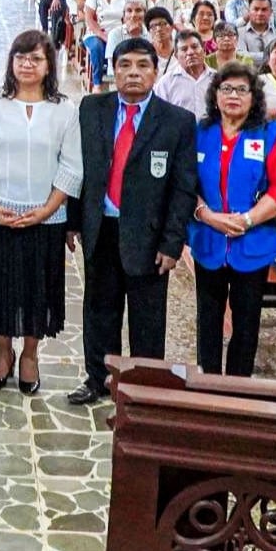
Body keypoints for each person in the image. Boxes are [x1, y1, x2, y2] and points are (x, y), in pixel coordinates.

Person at [66, 37, 198, 404]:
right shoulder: (92, 109)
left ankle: (143, 387)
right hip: (101, 227)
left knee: (147, 318)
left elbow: (183, 189)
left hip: (149, 236)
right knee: (99, 311)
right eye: (125, 65)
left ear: (156, 73)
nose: (133, 73)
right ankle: (98, 379)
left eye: (143, 65)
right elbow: (79, 169)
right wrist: (73, 221)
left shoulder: (177, 122)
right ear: (114, 69)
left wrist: (173, 243)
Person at [0, 30, 81, 395]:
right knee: (0, 286)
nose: (27, 64)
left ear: (49, 66)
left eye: (35, 58)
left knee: (36, 288)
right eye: (20, 57)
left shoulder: (64, 109)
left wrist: (48, 209)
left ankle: (30, 354)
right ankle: (3, 353)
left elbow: (72, 164)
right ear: (11, 62)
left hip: (45, 218)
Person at [189, 63, 276, 376]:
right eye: (226, 89)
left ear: (254, 97)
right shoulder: (200, 132)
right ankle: (206, 384)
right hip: (208, 240)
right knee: (207, 319)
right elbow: (185, 183)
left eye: (241, 90)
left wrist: (246, 220)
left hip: (253, 244)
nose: (232, 96)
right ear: (215, 95)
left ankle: (238, 386)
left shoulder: (270, 133)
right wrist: (207, 215)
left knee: (247, 321)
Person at [156, 30, 214, 117]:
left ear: (204, 50)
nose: (190, 52)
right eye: (184, 49)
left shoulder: (216, 78)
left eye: (194, 47)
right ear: (176, 55)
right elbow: (158, 115)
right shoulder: (166, 83)